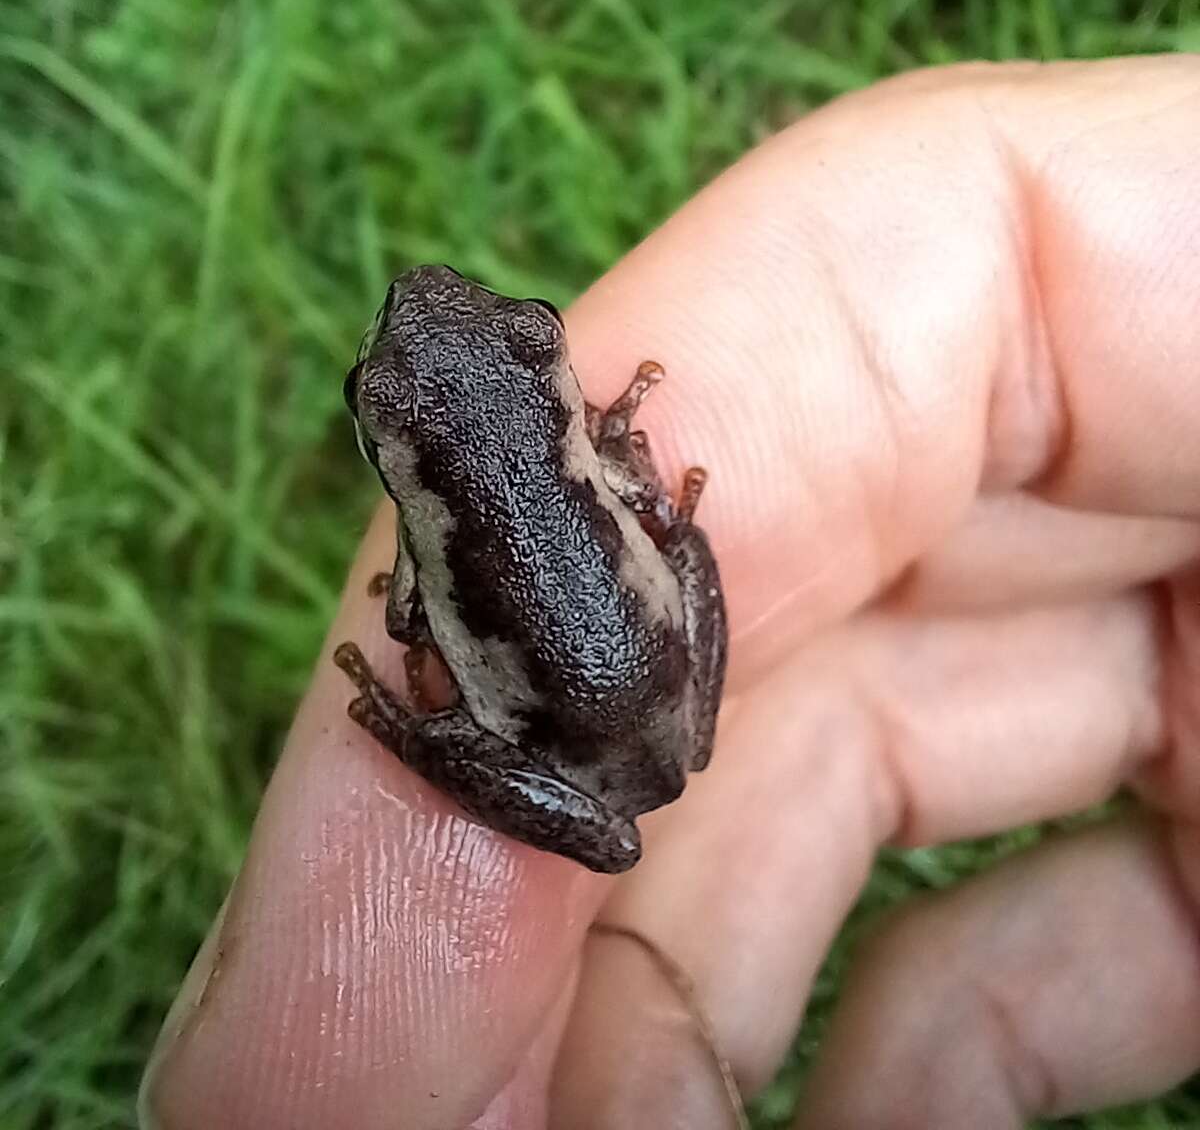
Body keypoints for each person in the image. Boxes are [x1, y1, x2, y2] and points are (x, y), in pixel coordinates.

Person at [139, 57, 1200, 1130]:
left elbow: (412, 619)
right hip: (645, 707)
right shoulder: (527, 462)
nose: (416, 297)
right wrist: (621, 462)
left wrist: (419, 676)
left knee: (467, 674)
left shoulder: (436, 525)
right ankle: (460, 717)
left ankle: (418, 734)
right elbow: (523, 572)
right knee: (666, 545)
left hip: (604, 721)